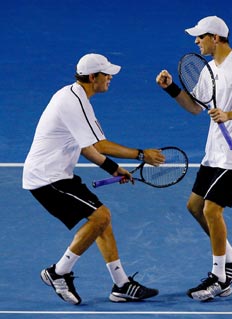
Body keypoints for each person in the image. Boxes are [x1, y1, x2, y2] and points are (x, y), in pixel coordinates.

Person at [22, 53, 165, 305]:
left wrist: (112, 168)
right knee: (101, 216)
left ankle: (121, 285)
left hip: (60, 175)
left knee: (102, 220)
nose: (110, 78)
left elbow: (86, 147)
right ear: (92, 77)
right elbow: (100, 143)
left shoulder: (76, 96)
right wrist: (141, 154)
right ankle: (59, 272)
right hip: (46, 178)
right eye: (106, 74)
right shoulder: (73, 101)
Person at [156, 16, 232, 301]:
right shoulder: (207, 69)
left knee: (211, 210)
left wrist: (230, 114)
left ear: (215, 37)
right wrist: (171, 89)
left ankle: (220, 278)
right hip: (215, 152)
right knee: (194, 206)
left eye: (200, 37)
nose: (196, 41)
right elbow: (195, 108)